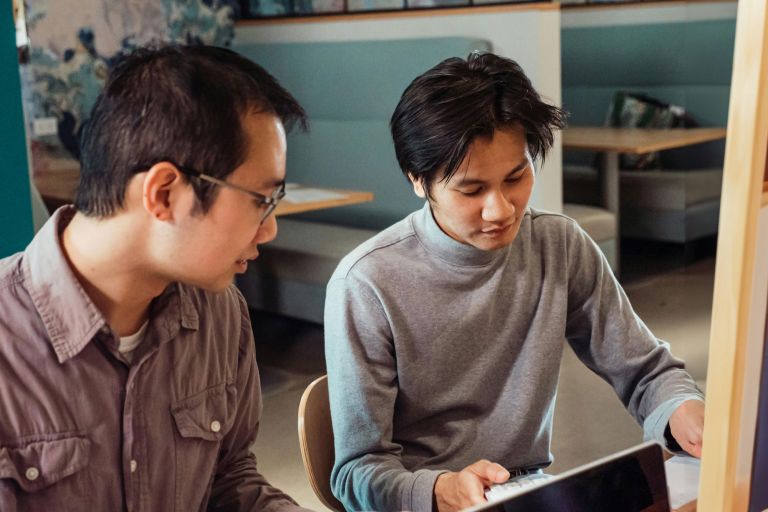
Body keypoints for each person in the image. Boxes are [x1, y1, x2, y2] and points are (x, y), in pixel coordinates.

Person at [324, 52, 705, 512]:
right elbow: (356, 471)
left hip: (528, 493)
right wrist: (440, 489)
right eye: (471, 190)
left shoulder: (559, 244)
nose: (501, 209)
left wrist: (684, 411)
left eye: (516, 177)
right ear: (418, 181)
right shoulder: (367, 283)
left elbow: (645, 370)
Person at [0, 45, 313, 511]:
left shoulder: (220, 313)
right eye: (260, 200)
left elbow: (227, 482)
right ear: (164, 192)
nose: (270, 228)